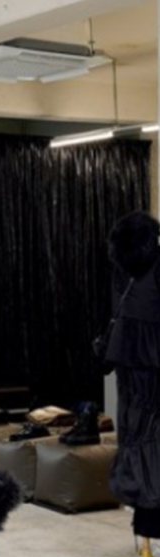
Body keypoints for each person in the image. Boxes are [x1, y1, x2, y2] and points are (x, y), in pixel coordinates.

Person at [105, 211, 160, 537]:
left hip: (128, 365)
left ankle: (145, 527)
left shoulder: (121, 271)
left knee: (137, 438)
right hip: (153, 364)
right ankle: (151, 528)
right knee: (153, 441)